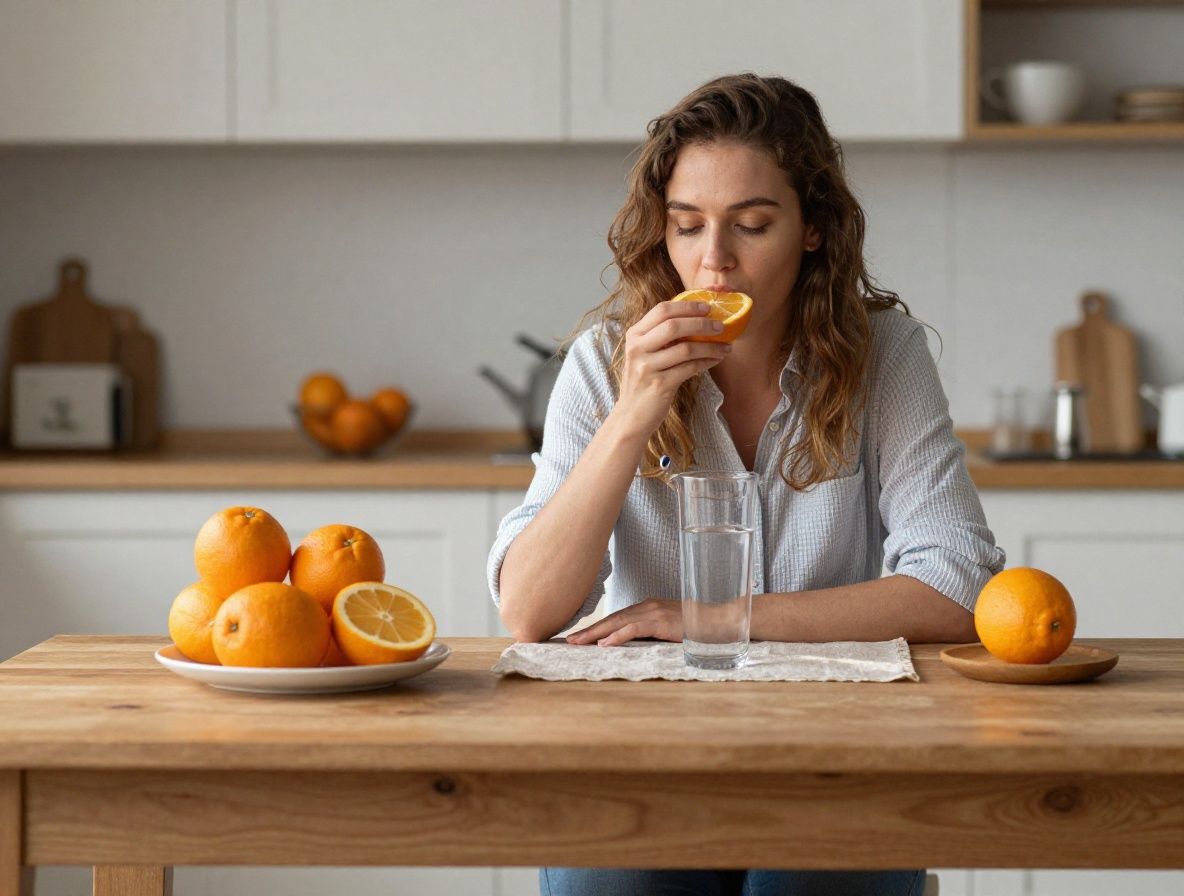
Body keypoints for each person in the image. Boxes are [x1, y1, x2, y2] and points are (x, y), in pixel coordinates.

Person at [487, 73, 1005, 896]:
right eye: (687, 226)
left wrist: (713, 621)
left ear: (812, 230)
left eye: (752, 225)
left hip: (841, 746)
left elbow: (958, 584)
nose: (713, 260)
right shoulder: (605, 361)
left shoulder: (886, 355)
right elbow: (529, 609)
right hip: (638, 753)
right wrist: (633, 414)